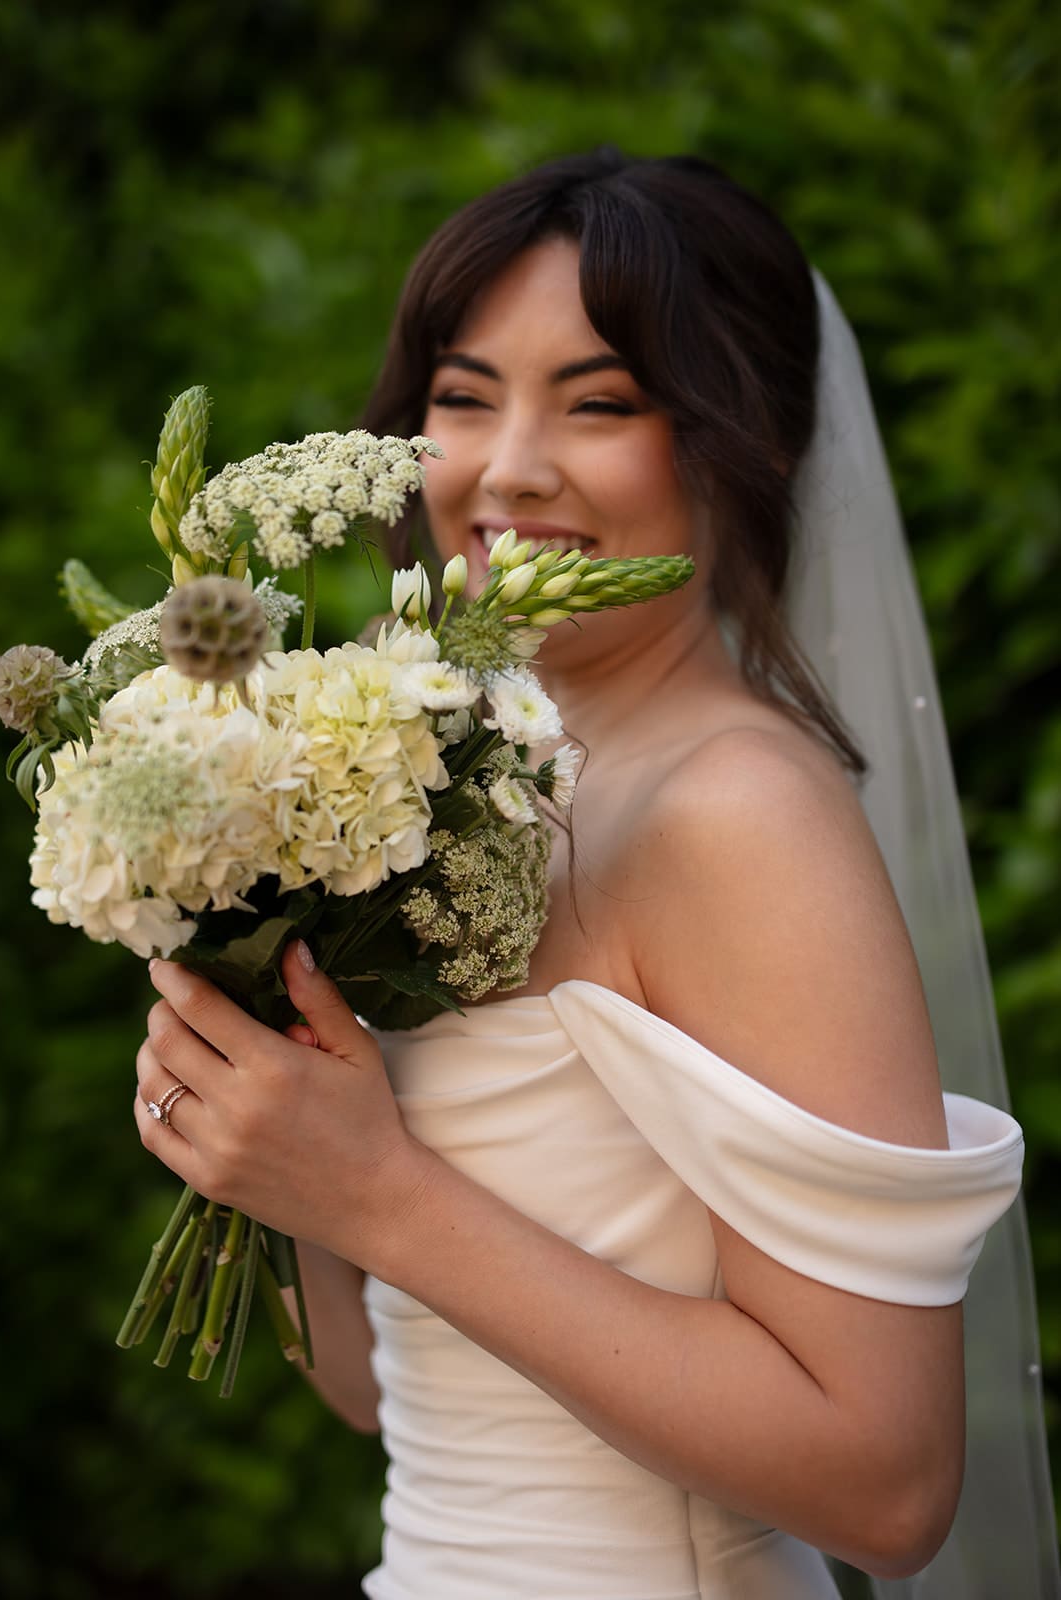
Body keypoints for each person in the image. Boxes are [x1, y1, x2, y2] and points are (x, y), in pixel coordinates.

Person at [133, 151, 1056, 1599]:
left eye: (601, 402)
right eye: (463, 394)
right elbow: (384, 1389)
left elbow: (888, 1485)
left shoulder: (738, 813)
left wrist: (375, 1192)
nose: (509, 468)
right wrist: (248, 1087)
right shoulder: (420, 763)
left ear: (744, 439)